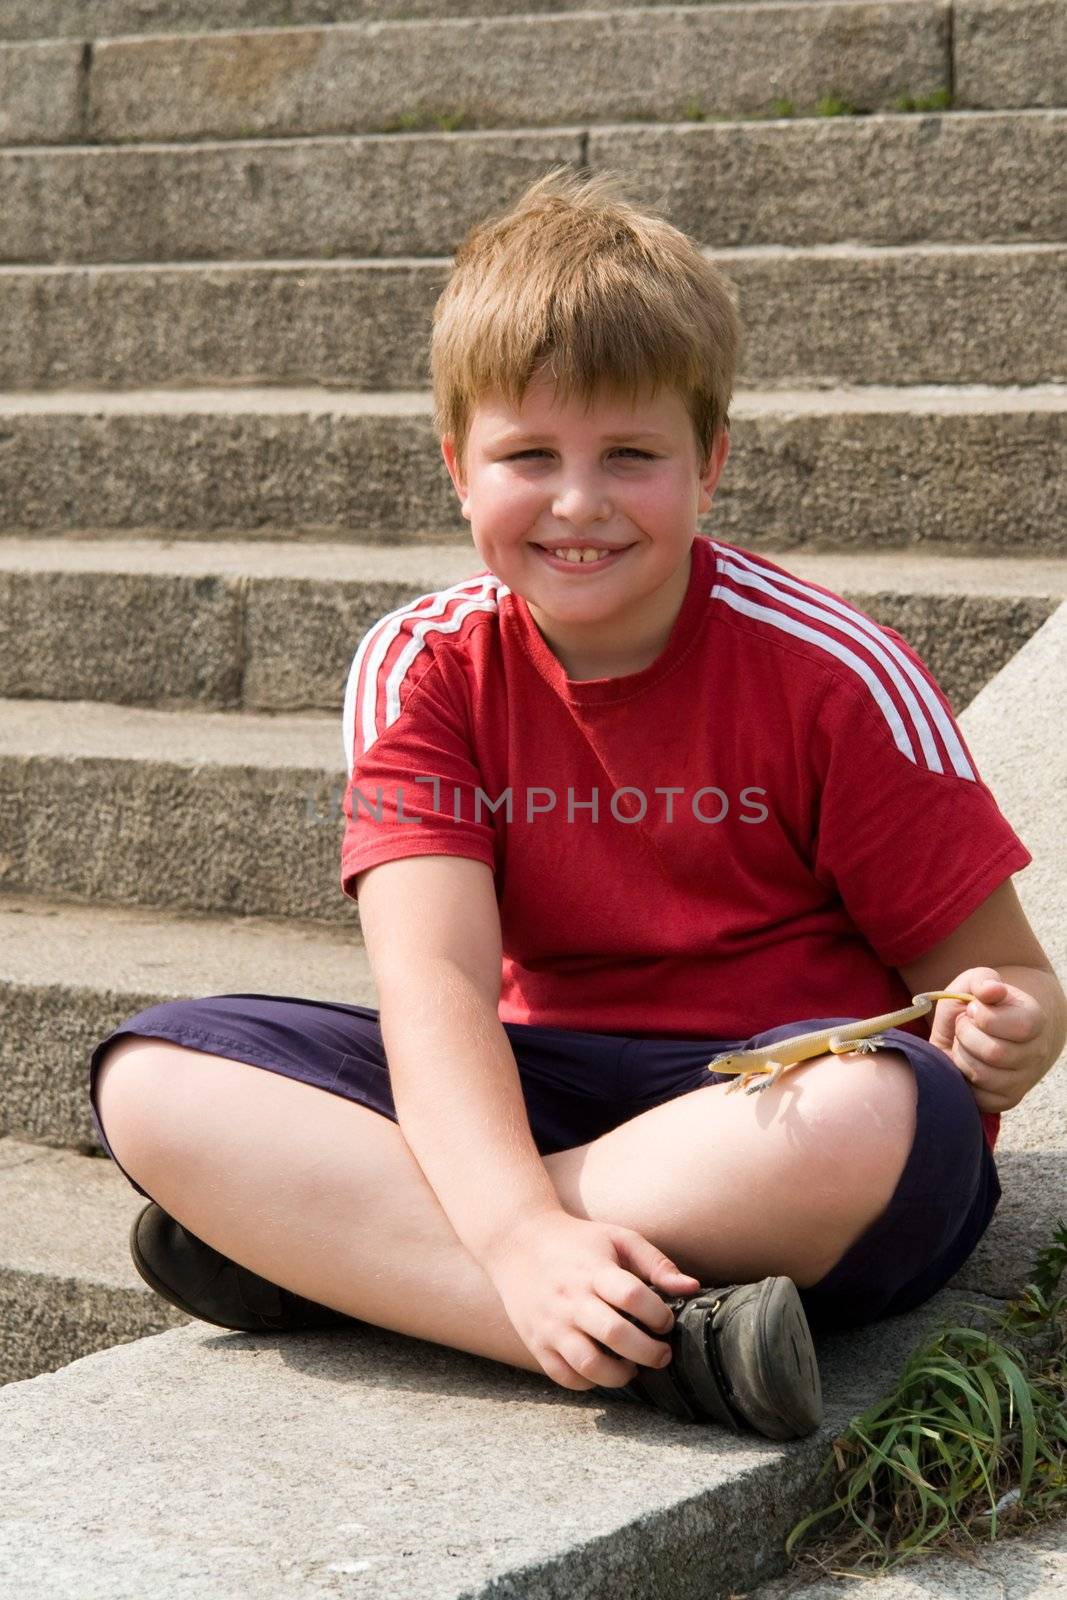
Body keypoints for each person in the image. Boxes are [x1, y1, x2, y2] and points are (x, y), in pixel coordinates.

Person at [88, 168, 1066, 1440]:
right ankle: (627, 1330)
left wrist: (1013, 1033)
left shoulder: (836, 672)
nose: (578, 502)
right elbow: (435, 992)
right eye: (528, 454)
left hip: (764, 1104)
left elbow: (1008, 985)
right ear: (456, 467)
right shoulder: (422, 663)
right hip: (529, 1079)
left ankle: (352, 1245)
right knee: (154, 1079)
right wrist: (514, 1244)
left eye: (631, 455)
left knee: (880, 1111)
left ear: (708, 462)